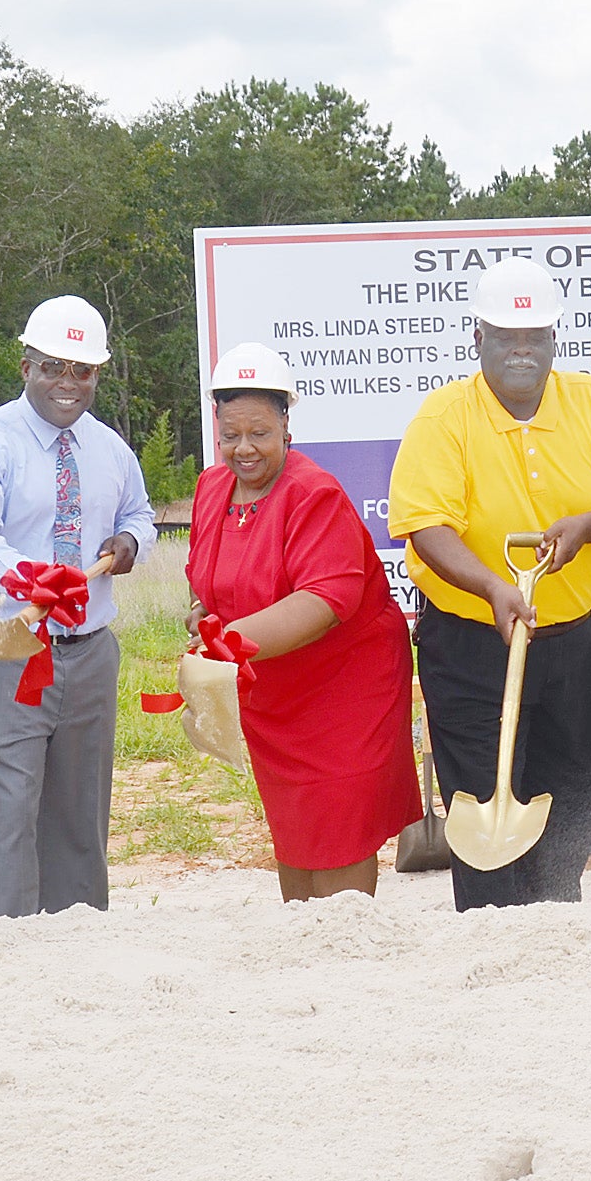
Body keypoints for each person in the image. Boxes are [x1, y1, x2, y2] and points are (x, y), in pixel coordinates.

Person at [388, 257, 591, 911]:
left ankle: (556, 913)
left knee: (575, 786)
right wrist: (491, 585)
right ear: (476, 337)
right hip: (472, 642)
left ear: (553, 340)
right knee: (483, 793)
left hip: (572, 640)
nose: (520, 349)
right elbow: (427, 525)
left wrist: (587, 526)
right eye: (504, 335)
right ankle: (491, 926)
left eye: (534, 335)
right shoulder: (444, 417)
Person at [0, 296, 154, 917]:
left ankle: (81, 950)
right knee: (11, 810)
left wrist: (130, 540)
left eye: (82, 371)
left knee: (81, 813)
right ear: (26, 365)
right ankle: (12, 955)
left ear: (97, 376)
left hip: (89, 653)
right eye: (53, 366)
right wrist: (33, 578)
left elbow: (138, 512)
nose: (68, 383)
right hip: (8, 648)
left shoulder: (111, 449)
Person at [186, 343, 419, 901]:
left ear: (287, 424)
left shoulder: (315, 493)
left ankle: (344, 945)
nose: (244, 449)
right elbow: (208, 575)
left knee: (338, 822)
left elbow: (322, 600)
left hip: (344, 687)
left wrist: (227, 643)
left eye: (260, 433)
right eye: (231, 435)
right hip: (276, 690)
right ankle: (301, 939)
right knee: (294, 824)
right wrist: (204, 614)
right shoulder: (212, 487)